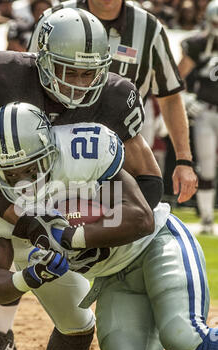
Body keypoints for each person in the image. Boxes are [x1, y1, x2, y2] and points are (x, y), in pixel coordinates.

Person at [0, 6, 168, 350]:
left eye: (91, 70)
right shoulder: (8, 75)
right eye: (70, 70)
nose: (82, 82)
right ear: (45, 57)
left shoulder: (115, 97)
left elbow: (149, 181)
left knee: (77, 327)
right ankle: (0, 335)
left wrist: (98, 230)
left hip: (57, 231)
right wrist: (22, 218)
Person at [0, 101, 218, 350]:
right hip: (113, 277)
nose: (24, 179)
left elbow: (141, 217)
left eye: (31, 166)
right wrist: (29, 277)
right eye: (11, 172)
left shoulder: (83, 152)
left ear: (50, 150)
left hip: (156, 243)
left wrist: (72, 237)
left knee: (185, 336)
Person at [29, 0, 198, 205]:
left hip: (125, 146)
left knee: (125, 222)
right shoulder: (53, 18)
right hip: (57, 145)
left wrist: (184, 160)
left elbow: (169, 96)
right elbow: (29, 78)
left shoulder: (148, 27)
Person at [178, 0, 218, 234]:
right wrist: (186, 98)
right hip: (205, 111)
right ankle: (206, 220)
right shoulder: (198, 44)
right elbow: (175, 76)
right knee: (207, 166)